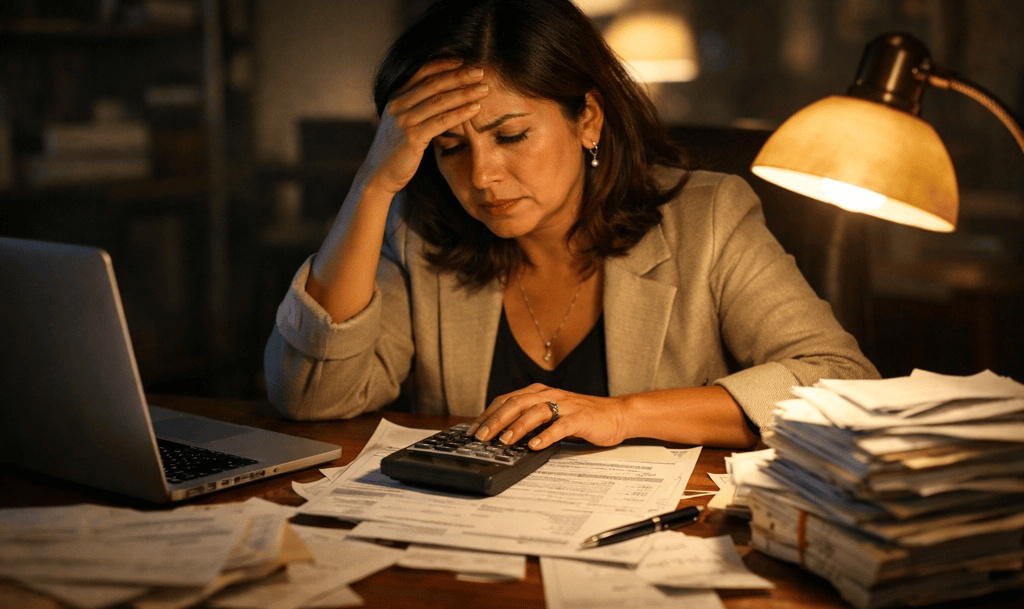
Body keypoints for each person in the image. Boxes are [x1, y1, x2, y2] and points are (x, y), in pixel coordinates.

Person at [263, 0, 878, 450]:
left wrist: (624, 414)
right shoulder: (415, 229)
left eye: (512, 135)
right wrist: (374, 183)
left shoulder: (708, 218)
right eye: (449, 147)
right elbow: (313, 399)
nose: (481, 175)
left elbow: (841, 382)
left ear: (587, 119)